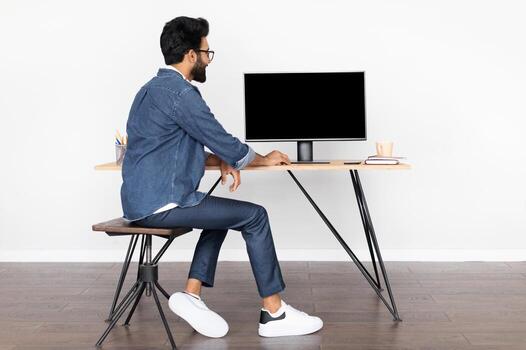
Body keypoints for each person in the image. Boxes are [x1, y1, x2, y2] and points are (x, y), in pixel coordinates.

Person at [120, 16, 323, 338]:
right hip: (163, 203)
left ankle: (192, 293)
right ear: (190, 55)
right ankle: (274, 312)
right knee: (255, 216)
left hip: (139, 201)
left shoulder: (148, 90)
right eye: (206, 52)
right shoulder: (181, 93)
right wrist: (259, 158)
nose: (207, 60)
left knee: (223, 214)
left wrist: (220, 159)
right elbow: (222, 139)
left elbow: (167, 148)